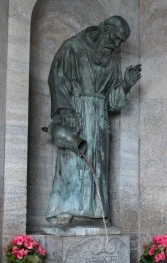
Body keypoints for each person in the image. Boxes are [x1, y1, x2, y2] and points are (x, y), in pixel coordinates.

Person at [46, 15, 141, 225]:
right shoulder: (72, 48)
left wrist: (126, 85)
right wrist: (64, 111)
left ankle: (96, 213)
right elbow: (56, 79)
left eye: (120, 42)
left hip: (99, 120)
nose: (116, 45)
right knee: (73, 162)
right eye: (115, 38)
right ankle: (65, 209)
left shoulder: (112, 63)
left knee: (97, 166)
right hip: (76, 114)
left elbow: (111, 102)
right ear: (104, 28)